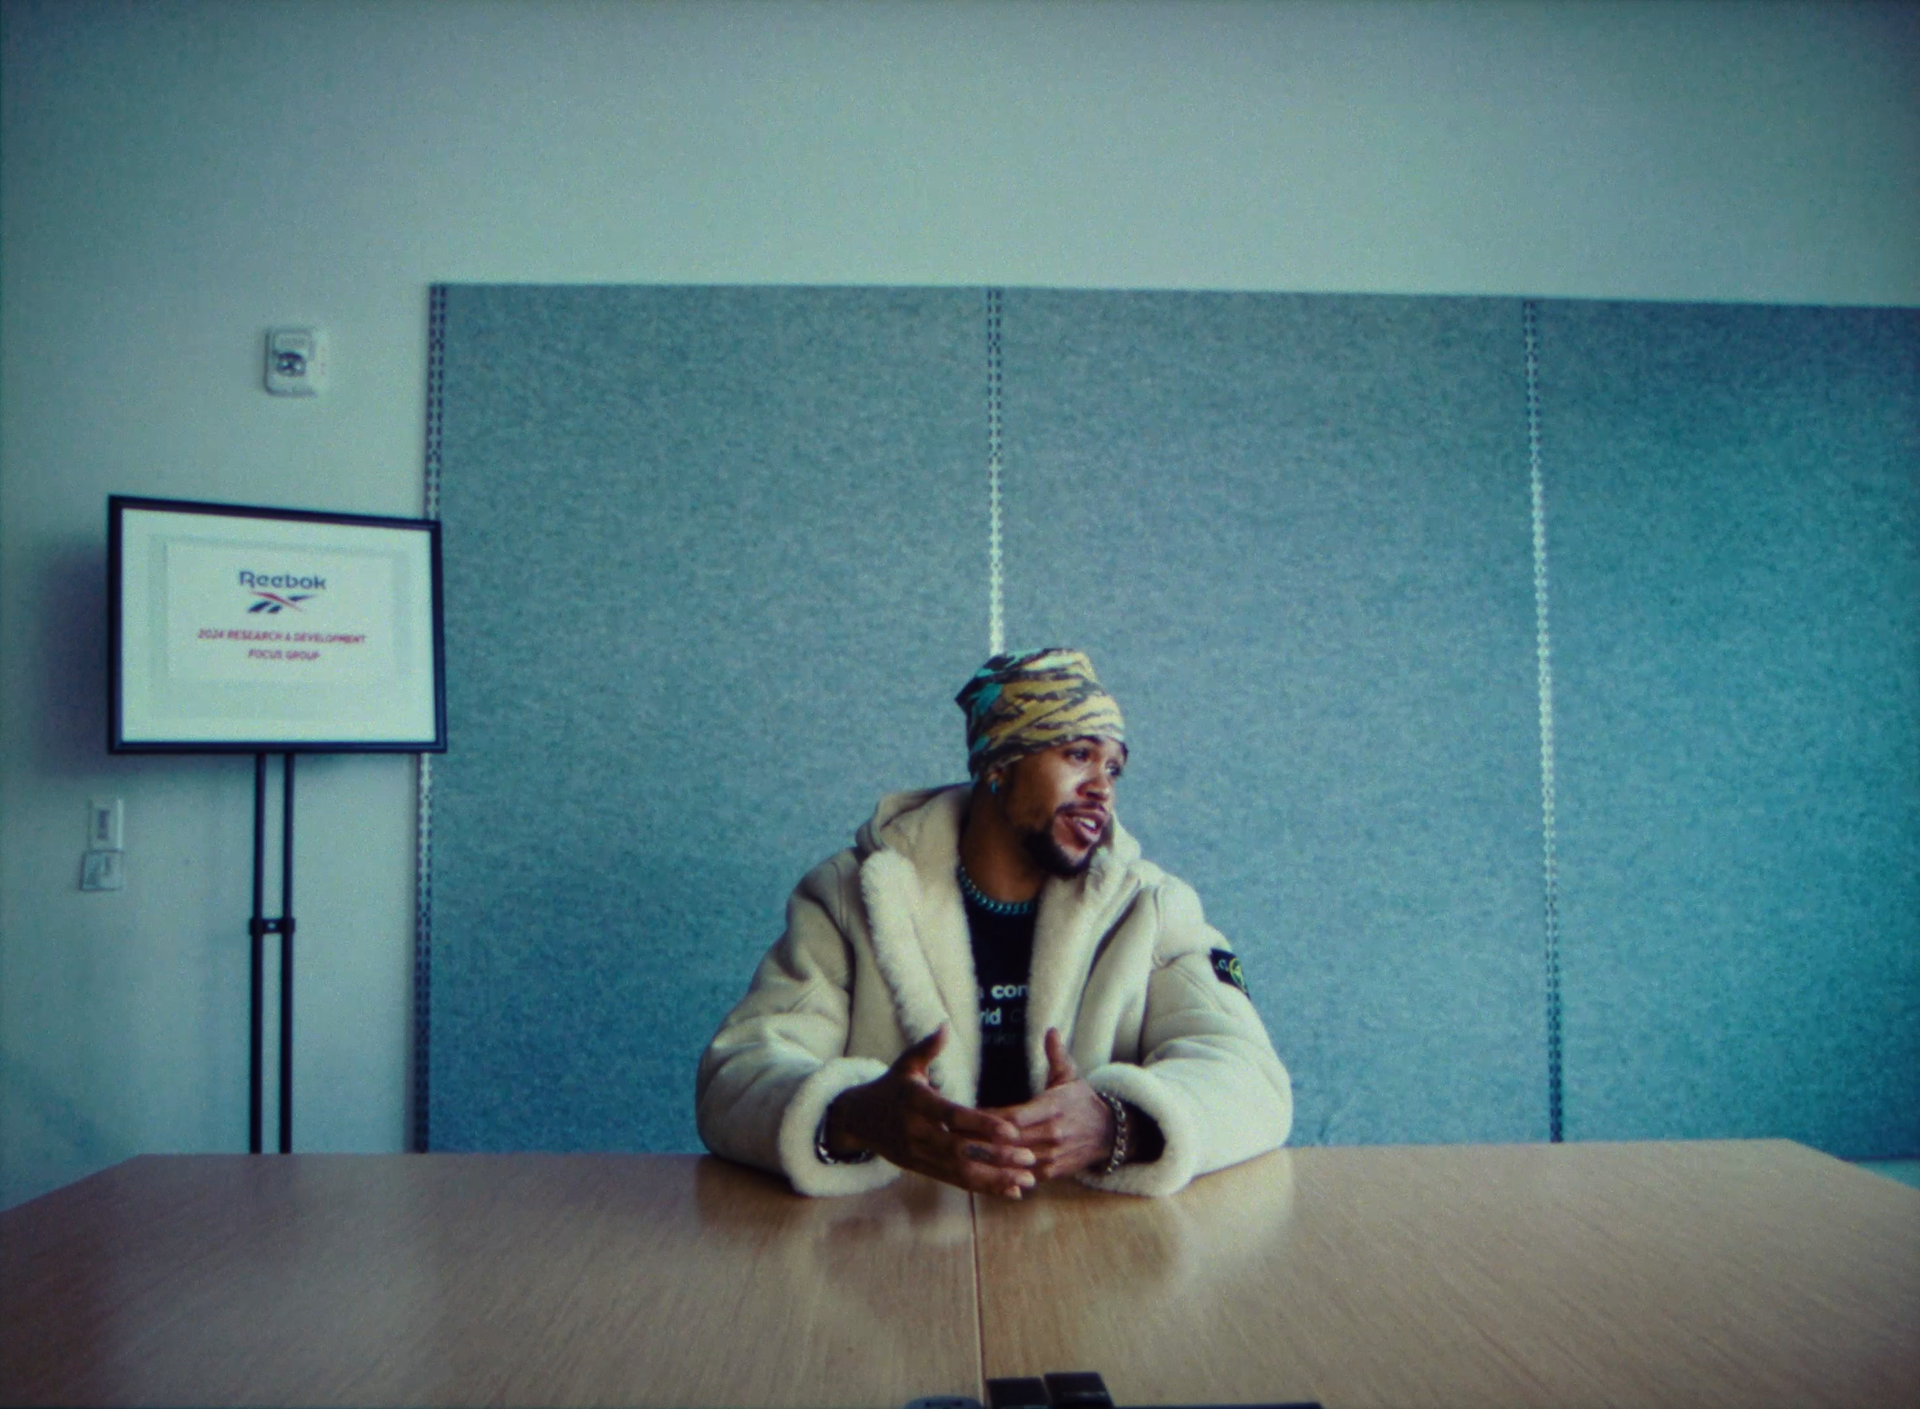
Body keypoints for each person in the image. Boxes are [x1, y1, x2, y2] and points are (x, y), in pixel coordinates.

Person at [695, 648, 1291, 1197]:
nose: (1101, 790)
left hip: (1092, 1251)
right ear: (999, 765)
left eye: (1114, 769)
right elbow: (736, 1075)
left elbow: (1252, 1078)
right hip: (888, 1253)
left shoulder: (1150, 907)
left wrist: (1117, 1124)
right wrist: (854, 1117)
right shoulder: (851, 896)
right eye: (1077, 755)